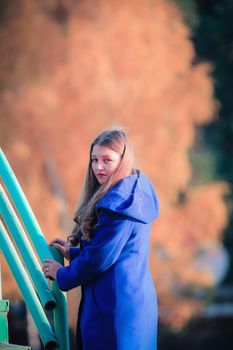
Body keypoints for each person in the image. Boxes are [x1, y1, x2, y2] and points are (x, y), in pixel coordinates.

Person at [42, 128, 160, 350]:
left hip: (115, 308)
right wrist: (72, 253)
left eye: (107, 160)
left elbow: (98, 259)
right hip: (132, 300)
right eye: (94, 159)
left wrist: (61, 273)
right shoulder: (133, 190)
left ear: (123, 160)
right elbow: (115, 251)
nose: (98, 167)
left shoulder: (121, 204)